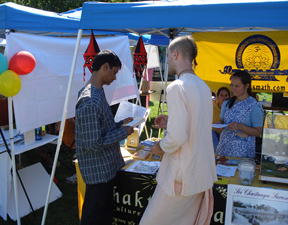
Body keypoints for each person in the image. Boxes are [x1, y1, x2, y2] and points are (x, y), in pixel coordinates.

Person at [140, 36, 217, 225]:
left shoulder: (176, 87)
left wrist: (159, 147)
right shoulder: (204, 87)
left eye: (168, 56)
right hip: (199, 172)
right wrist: (171, 121)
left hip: (182, 174)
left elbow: (177, 137)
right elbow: (196, 124)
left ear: (175, 54)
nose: (167, 61)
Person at [75, 49, 134, 225]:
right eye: (114, 72)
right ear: (105, 67)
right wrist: (124, 132)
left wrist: (120, 123)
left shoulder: (96, 92)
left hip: (104, 169)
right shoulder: (90, 100)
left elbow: (99, 128)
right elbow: (93, 143)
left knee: (103, 215)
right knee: (94, 216)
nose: (115, 78)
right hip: (97, 172)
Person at [215, 70, 264, 158]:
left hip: (242, 151)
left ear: (247, 86)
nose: (233, 89)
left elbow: (258, 132)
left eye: (237, 86)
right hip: (224, 147)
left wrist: (240, 127)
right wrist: (219, 124)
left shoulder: (254, 106)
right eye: (232, 85)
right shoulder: (227, 103)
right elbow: (222, 121)